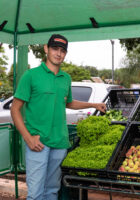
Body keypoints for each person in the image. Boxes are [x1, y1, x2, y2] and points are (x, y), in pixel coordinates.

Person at [10, 34, 106, 200]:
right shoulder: (31, 76)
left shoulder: (66, 78)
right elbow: (14, 109)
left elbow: (68, 103)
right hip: (38, 143)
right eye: (55, 48)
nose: (58, 53)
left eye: (62, 50)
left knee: (52, 191)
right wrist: (28, 138)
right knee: (36, 194)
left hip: (60, 143)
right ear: (46, 49)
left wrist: (94, 105)